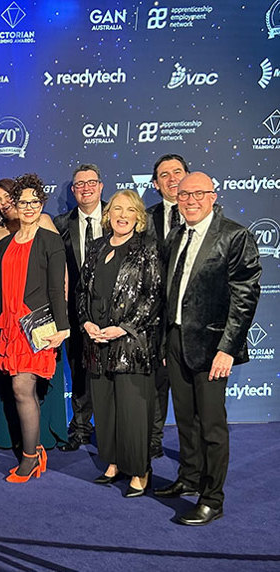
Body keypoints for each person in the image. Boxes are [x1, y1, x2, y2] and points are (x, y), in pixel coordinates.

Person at [153, 172, 261, 526]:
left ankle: (212, 498)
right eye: (184, 195)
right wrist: (168, 339)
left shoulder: (234, 236)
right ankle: (189, 475)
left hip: (214, 348)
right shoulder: (176, 235)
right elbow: (171, 292)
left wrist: (228, 349)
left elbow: (245, 297)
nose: (191, 200)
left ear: (214, 196)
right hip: (177, 341)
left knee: (212, 426)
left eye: (199, 194)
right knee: (185, 419)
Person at [77, 190, 163, 497]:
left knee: (132, 411)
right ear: (108, 213)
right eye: (116, 209)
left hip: (131, 345)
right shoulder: (97, 246)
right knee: (106, 407)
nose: (122, 215)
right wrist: (86, 321)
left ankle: (140, 470)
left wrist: (122, 328)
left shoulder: (148, 248)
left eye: (129, 210)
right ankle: (113, 462)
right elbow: (82, 292)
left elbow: (152, 298)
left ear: (139, 216)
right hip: (97, 344)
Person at [0, 174, 70, 482]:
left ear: (41, 204)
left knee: (22, 389)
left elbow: (55, 288)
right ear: (15, 205)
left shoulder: (50, 241)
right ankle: (35, 449)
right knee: (21, 391)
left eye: (34, 202)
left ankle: (30, 457)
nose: (28, 207)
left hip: (34, 326)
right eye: (22, 202)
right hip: (9, 325)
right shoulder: (5, 243)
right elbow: (0, 290)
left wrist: (63, 328)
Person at [54, 164, 107, 452]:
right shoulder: (61, 224)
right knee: (79, 369)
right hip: (75, 311)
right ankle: (82, 427)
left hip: (113, 312)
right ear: (73, 191)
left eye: (91, 182)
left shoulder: (118, 217)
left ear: (101, 186)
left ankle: (112, 428)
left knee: (112, 372)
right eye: (79, 184)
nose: (86, 188)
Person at [144, 154, 190, 459]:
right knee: (156, 385)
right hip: (154, 318)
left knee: (190, 393)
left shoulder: (206, 215)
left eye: (177, 172)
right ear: (156, 183)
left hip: (190, 321)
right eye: (164, 175)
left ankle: (192, 456)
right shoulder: (145, 218)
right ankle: (153, 439)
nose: (172, 179)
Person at [0, 179, 58, 280]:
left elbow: (59, 262)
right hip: (9, 290)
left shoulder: (42, 221)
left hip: (41, 291)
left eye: (7, 196)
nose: (4, 203)